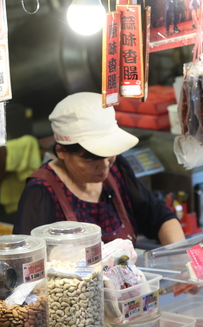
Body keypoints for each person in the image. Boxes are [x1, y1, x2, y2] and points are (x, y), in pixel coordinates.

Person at [14, 92, 186, 246]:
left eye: (109, 154)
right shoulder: (41, 192)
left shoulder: (117, 169)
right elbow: (27, 260)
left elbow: (159, 217)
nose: (104, 166)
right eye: (91, 160)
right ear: (61, 151)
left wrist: (180, 257)